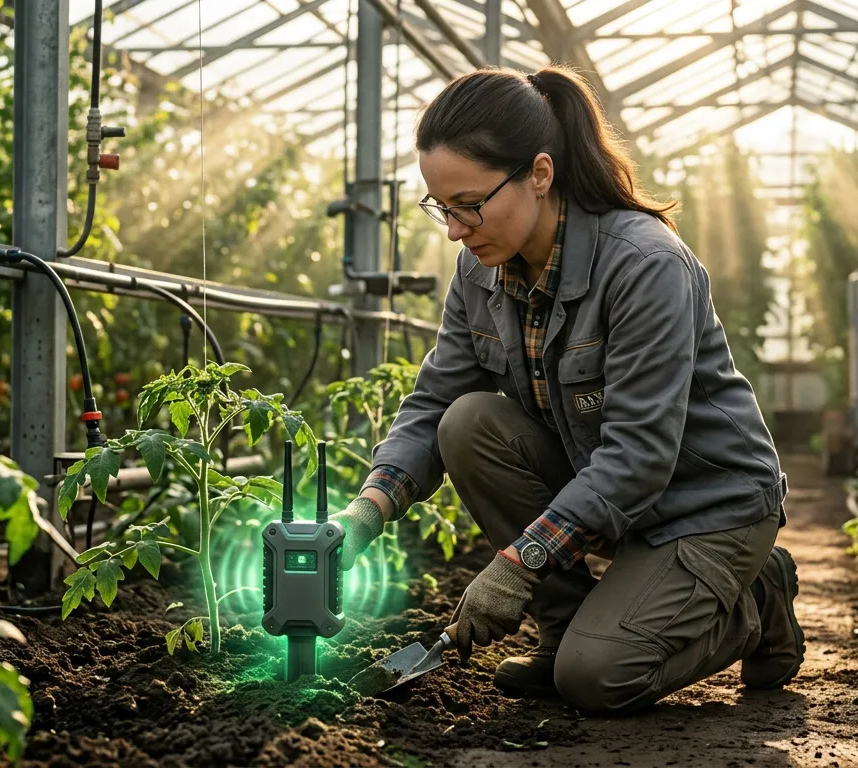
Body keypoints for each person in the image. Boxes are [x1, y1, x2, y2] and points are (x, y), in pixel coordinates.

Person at [329, 64, 800, 715]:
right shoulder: (480, 271)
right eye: (442, 207)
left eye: (469, 204)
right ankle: (566, 630)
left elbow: (638, 456)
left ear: (540, 174)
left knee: (597, 678)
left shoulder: (644, 265)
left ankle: (752, 602)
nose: (455, 229)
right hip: (611, 496)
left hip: (706, 504)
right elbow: (436, 402)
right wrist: (365, 513)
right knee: (467, 423)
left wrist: (518, 563)